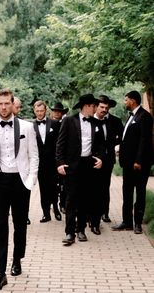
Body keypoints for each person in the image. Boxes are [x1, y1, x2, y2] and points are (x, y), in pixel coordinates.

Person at [0, 89, 38, 291]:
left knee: (20, 225)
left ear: (12, 104)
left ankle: (17, 258)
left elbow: (34, 156)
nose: (3, 107)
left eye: (7, 103)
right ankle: (0, 273)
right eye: (0, 104)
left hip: (21, 182)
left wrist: (30, 181)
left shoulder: (27, 127)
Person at [56, 94, 105, 245]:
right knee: (71, 199)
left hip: (88, 165)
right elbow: (60, 144)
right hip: (72, 166)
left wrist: (101, 158)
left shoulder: (96, 123)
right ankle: (69, 232)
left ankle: (81, 230)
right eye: (94, 106)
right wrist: (60, 163)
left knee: (85, 199)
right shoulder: (69, 121)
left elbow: (101, 145)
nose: (96, 109)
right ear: (87, 106)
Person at [112, 90, 154, 234]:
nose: (125, 102)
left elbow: (145, 141)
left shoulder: (145, 116)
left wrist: (138, 160)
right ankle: (127, 222)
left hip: (139, 164)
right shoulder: (131, 116)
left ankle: (137, 223)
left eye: (126, 100)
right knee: (127, 192)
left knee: (140, 192)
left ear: (133, 101)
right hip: (128, 163)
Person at [94, 95, 123, 223]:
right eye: (102, 107)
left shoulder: (115, 121)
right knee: (92, 187)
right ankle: (92, 214)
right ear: (96, 107)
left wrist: (112, 144)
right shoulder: (89, 120)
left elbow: (122, 137)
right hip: (92, 159)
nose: (104, 109)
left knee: (105, 187)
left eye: (106, 107)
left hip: (108, 159)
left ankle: (105, 213)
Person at [33, 100, 61, 222]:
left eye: (42, 111)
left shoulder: (55, 124)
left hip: (53, 162)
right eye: (37, 111)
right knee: (43, 188)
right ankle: (46, 213)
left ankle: (56, 207)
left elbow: (60, 143)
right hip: (39, 163)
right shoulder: (30, 126)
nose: (39, 113)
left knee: (54, 187)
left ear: (45, 110)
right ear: (34, 111)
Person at [12, 96, 31, 225]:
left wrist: (32, 176)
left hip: (22, 172)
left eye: (19, 107)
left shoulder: (25, 126)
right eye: (17, 107)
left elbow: (32, 153)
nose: (19, 109)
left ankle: (24, 216)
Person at [51, 102, 69, 214]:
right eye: (55, 111)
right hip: (51, 158)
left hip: (63, 158)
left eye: (59, 111)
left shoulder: (66, 123)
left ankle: (63, 204)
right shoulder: (50, 124)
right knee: (53, 184)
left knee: (64, 184)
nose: (57, 113)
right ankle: (54, 205)